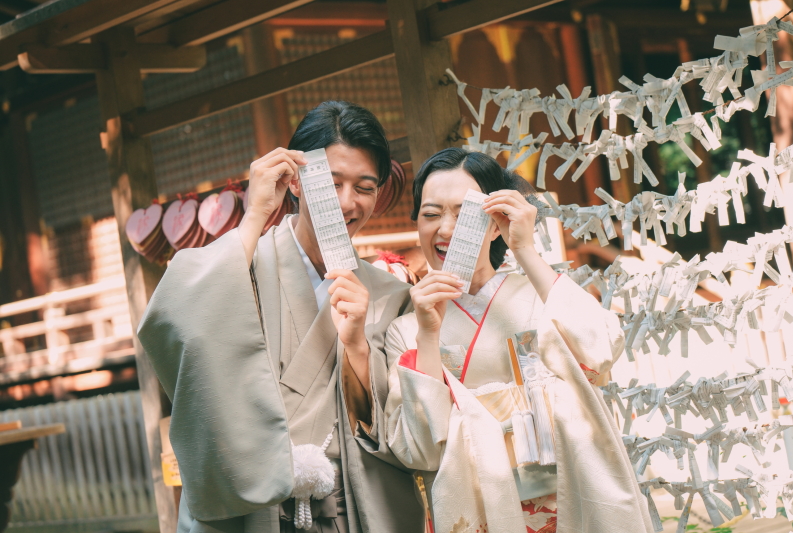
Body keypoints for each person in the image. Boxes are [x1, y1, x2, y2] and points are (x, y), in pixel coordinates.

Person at [137, 101, 423, 533]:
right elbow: (175, 325)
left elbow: (401, 428)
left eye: (365, 187)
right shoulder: (241, 266)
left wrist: (358, 348)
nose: (348, 202)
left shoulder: (388, 294)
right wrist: (253, 214)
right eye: (331, 182)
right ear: (295, 182)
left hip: (348, 510)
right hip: (249, 509)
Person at [382, 148, 654, 533]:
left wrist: (523, 249)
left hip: (568, 499)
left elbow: (600, 351)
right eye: (431, 214)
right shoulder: (407, 329)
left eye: (463, 213)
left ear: (495, 224)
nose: (445, 229)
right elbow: (420, 448)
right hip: (476, 513)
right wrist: (428, 333)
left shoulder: (540, 294)